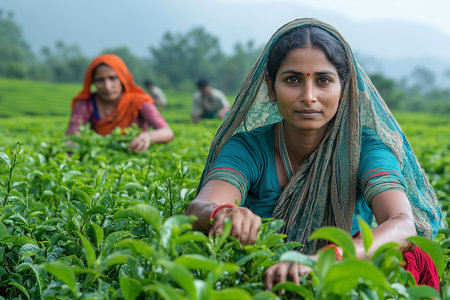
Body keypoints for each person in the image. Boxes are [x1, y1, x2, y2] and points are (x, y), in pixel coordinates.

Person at [185, 18, 442, 291]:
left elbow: (402, 223)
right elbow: (200, 206)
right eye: (292, 79)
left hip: (339, 275)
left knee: (412, 255)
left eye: (324, 80)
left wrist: (330, 257)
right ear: (271, 87)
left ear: (344, 89)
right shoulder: (249, 148)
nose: (309, 96)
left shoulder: (365, 149)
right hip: (262, 278)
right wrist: (222, 214)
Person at [66, 54, 174, 153]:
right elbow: (71, 138)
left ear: (123, 78)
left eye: (112, 78)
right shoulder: (85, 104)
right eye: (100, 80)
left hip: (135, 157)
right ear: (93, 82)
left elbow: (167, 132)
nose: (107, 86)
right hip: (100, 159)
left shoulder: (138, 101)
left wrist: (148, 136)